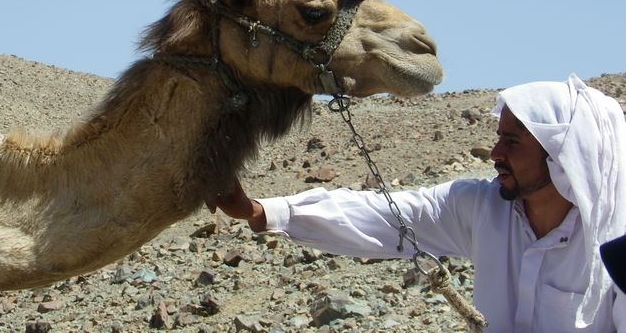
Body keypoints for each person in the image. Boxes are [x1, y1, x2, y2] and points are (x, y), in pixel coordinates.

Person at [210, 74, 626, 332]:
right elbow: (385, 216)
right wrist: (262, 211)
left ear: (561, 155)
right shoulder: (481, 209)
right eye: (499, 137)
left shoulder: (615, 246)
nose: (495, 152)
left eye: (513, 141)